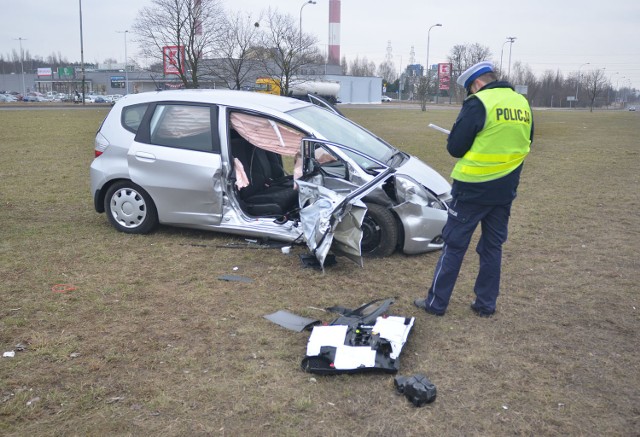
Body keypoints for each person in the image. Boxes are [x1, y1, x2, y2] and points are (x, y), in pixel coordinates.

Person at [414, 61, 534, 317]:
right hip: (505, 190)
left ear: (476, 84)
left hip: (472, 190)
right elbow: (526, 140)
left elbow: (456, 148)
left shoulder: (479, 102)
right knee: (492, 247)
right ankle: (485, 304)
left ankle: (436, 304)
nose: (471, 94)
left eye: (470, 89)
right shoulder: (521, 103)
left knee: (454, 246)